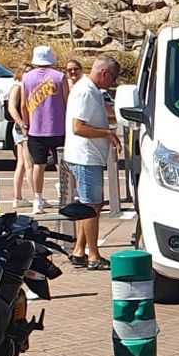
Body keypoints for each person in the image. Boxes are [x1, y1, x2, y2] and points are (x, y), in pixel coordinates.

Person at [64, 55, 121, 270]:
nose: (112, 83)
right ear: (105, 73)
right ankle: (93, 256)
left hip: (88, 156)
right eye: (112, 78)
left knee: (91, 205)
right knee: (91, 206)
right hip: (85, 157)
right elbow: (78, 127)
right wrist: (107, 133)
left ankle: (80, 250)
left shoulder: (90, 90)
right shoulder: (86, 91)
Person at [18, 45, 67, 215]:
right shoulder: (60, 77)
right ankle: (65, 195)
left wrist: (25, 124)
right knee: (62, 164)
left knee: (38, 165)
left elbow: (24, 105)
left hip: (36, 129)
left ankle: (37, 199)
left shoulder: (27, 78)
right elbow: (67, 102)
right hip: (58, 127)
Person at [6, 65, 33, 209]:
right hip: (21, 128)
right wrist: (22, 125)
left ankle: (18, 197)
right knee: (29, 164)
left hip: (22, 128)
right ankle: (36, 196)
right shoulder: (17, 87)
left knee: (22, 163)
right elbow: (12, 108)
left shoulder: (26, 87)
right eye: (26, 72)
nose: (28, 75)